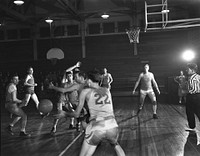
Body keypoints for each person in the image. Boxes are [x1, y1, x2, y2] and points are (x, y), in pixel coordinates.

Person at [54, 69, 126, 156]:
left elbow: (76, 114)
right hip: (112, 126)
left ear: (89, 80)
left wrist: (64, 114)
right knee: (116, 145)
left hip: (97, 127)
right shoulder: (107, 90)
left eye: (87, 79)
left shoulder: (86, 92)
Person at [49, 69, 88, 133]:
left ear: (72, 76)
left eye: (70, 76)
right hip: (67, 101)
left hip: (76, 101)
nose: (69, 77)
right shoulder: (65, 85)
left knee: (80, 112)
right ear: (66, 77)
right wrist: (68, 103)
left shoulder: (76, 83)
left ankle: (77, 124)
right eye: (68, 76)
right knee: (60, 113)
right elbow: (64, 93)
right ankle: (54, 126)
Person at [185, 63, 200, 132]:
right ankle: (192, 127)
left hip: (193, 96)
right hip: (198, 96)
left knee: (190, 111)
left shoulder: (192, 78)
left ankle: (192, 127)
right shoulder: (198, 76)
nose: (186, 70)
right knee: (197, 111)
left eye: (188, 69)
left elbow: (193, 89)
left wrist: (186, 92)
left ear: (192, 70)